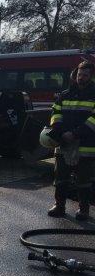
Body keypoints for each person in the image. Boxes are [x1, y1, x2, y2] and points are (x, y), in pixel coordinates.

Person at [48, 61, 95, 221]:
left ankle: (84, 210)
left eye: (85, 75)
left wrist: (74, 134)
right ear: (76, 75)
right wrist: (60, 131)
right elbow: (55, 113)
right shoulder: (65, 94)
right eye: (80, 74)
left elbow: (93, 120)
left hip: (86, 145)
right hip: (64, 143)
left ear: (91, 76)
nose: (81, 77)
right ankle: (59, 206)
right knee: (60, 178)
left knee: (84, 181)